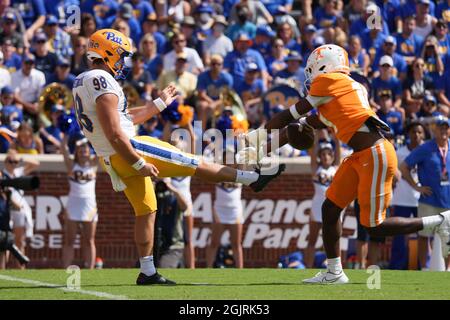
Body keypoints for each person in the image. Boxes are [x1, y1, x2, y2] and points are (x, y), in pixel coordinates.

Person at [72, 29, 284, 285]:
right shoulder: (101, 80)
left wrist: (158, 105)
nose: (123, 62)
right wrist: (138, 163)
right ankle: (252, 179)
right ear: (108, 53)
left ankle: (147, 271)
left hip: (112, 160)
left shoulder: (83, 80)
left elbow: (123, 120)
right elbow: (117, 133)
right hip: (131, 149)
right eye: (121, 56)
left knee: (146, 210)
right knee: (193, 162)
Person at [242, 44, 450, 284]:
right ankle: (334, 272)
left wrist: (255, 137)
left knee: (374, 226)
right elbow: (296, 130)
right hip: (361, 155)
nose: (310, 76)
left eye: (312, 69)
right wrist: (259, 150)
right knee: (330, 209)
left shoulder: (330, 82)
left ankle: (440, 221)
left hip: (374, 153)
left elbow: (290, 116)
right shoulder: (342, 92)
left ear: (324, 66)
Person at [400, 117, 450, 270]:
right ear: (434, 130)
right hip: (428, 200)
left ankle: (447, 269)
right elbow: (403, 167)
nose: (443, 131)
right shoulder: (426, 148)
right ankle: (425, 268)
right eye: (440, 128)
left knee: (447, 238)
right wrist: (417, 187)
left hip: (448, 201)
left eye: (446, 128)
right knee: (424, 237)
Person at [390, 121, 427, 270]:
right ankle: (397, 267)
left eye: (419, 132)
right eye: (413, 132)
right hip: (402, 199)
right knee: (399, 236)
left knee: (424, 236)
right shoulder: (399, 153)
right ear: (408, 134)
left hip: (422, 200)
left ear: (423, 134)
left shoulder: (428, 151)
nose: (416, 135)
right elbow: (394, 174)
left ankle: (423, 267)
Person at [61, 134, 98, 269]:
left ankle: (90, 269)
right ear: (76, 152)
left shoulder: (93, 165)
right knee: (69, 240)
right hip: (73, 204)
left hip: (89, 206)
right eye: (80, 151)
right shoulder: (72, 165)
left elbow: (102, 149)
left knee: (89, 240)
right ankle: (66, 268)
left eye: (85, 150)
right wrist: (66, 133)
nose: (83, 153)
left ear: (89, 152)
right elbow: (63, 150)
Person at [304, 136, 341, 268]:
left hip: (332, 208)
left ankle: (335, 268)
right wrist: (314, 135)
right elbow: (312, 152)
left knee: (334, 240)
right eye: (323, 154)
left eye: (328, 154)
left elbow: (338, 151)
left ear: (332, 156)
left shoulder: (336, 168)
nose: (326, 157)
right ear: (320, 156)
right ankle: (308, 268)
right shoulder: (316, 169)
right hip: (317, 207)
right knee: (312, 240)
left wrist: (335, 137)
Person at [206, 147, 244, 269]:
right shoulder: (218, 173)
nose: (228, 161)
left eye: (231, 159)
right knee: (214, 243)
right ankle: (208, 269)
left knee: (236, 244)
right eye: (225, 158)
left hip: (235, 212)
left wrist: (243, 141)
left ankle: (241, 272)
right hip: (220, 211)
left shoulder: (240, 174)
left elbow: (243, 161)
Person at [2, 149, 39, 269]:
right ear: (5, 161)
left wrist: (21, 158)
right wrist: (13, 202)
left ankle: (20, 268)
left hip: (19, 211)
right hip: (6, 210)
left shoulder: (19, 172)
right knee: (4, 241)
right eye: (10, 161)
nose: (12, 164)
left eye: (14, 161)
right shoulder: (2, 174)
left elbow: (36, 163)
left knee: (19, 240)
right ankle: (4, 268)